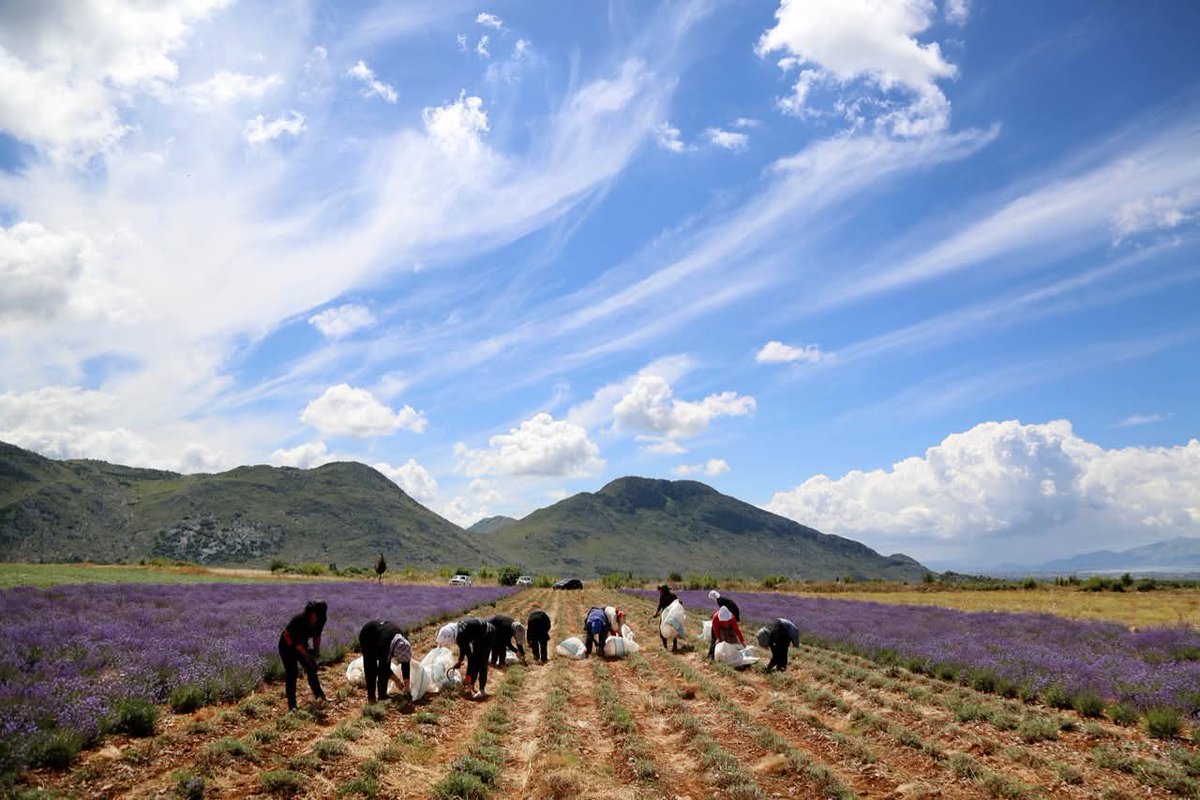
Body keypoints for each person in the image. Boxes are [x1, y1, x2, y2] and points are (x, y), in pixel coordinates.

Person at [278, 599, 327, 711]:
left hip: (301, 644)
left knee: (312, 667)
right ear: (311, 612)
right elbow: (298, 646)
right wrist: (308, 656)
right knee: (292, 673)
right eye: (316, 615)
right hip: (287, 646)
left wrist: (316, 651)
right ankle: (292, 705)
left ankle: (319, 696)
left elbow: (317, 637)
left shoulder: (321, 619)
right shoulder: (299, 620)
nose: (317, 618)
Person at [358, 620, 412, 703]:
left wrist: (407, 688)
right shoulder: (385, 646)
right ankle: (371, 698)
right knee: (371, 667)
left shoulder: (405, 644)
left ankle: (382, 696)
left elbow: (406, 663)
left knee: (385, 665)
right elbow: (384, 669)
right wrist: (397, 680)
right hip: (368, 636)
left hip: (382, 634)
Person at [452, 617, 496, 699]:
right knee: (476, 658)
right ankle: (471, 685)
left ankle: (482, 690)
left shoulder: (461, 634)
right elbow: (464, 649)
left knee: (482, 661)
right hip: (478, 636)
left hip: (489, 633)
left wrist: (468, 676)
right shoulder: (457, 634)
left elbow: (470, 658)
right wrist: (459, 661)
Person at [649, 584, 680, 651]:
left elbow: (660, 606)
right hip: (672, 615)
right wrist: (656, 613)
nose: (660, 592)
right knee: (673, 630)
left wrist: (656, 613)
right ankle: (674, 646)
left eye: (660, 591)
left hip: (665, 616)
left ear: (664, 590)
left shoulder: (663, 597)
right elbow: (678, 603)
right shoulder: (673, 595)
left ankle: (665, 646)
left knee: (662, 629)